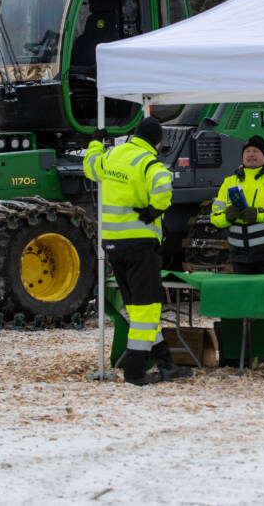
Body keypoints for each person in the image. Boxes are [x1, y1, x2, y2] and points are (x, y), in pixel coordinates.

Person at [83, 117, 193, 386]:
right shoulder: (149, 162)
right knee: (147, 309)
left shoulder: (111, 156)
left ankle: (166, 363)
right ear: (156, 142)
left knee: (137, 308)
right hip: (141, 244)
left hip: (113, 245)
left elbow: (89, 168)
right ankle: (134, 372)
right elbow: (164, 186)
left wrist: (96, 142)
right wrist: (156, 209)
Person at [210, 135, 264, 365]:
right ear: (242, 156)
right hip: (240, 255)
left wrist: (258, 214)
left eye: (255, 151)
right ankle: (259, 350)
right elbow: (215, 217)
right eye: (247, 151)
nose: (251, 155)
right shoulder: (229, 182)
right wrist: (227, 216)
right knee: (246, 306)